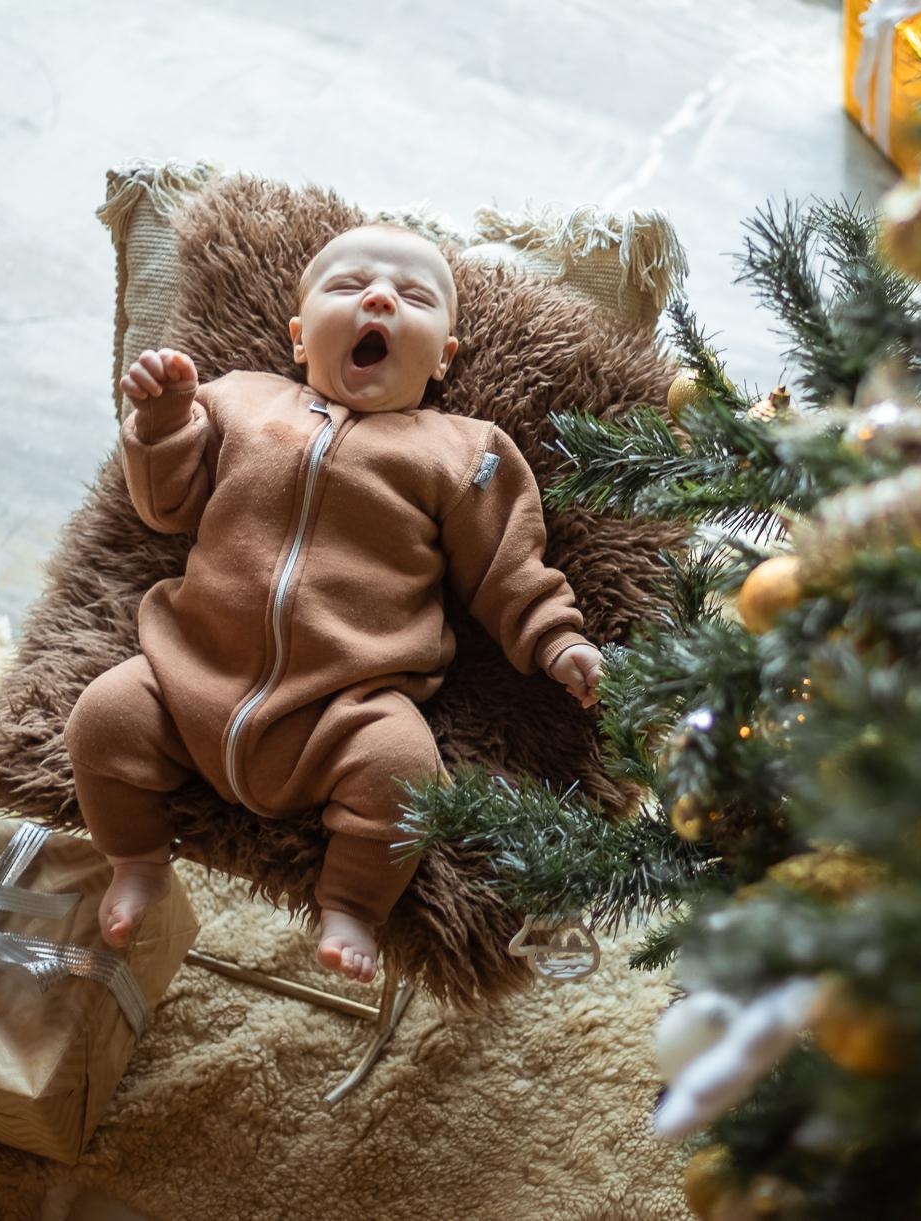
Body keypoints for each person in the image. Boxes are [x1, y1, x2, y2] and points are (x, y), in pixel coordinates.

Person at [65, 224, 603, 982]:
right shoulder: (238, 400)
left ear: (444, 356)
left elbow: (508, 567)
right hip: (189, 671)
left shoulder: (461, 451)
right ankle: (138, 858)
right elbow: (165, 505)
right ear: (297, 337)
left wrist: (555, 638)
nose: (379, 296)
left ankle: (352, 904)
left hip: (347, 705)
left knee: (403, 770)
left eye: (412, 297)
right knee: (101, 719)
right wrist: (161, 422)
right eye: (348, 287)